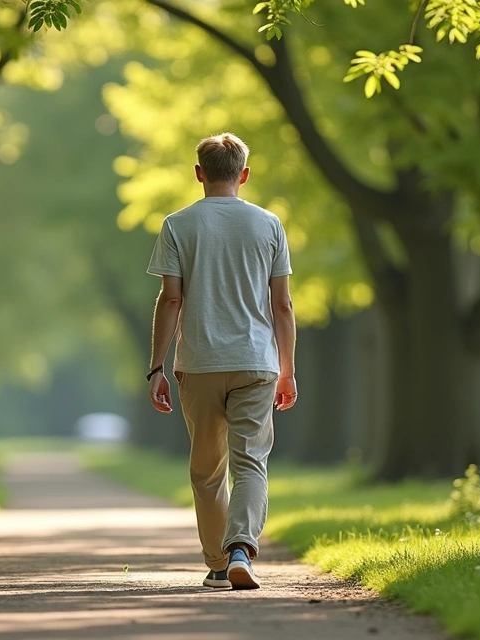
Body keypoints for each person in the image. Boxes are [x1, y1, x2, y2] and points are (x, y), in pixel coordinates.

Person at [144, 132, 298, 590]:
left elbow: (170, 300)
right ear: (244, 175)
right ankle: (240, 550)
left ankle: (216, 564)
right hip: (257, 362)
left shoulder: (178, 225)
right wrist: (287, 368)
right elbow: (283, 305)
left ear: (199, 174)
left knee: (207, 468)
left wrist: (156, 367)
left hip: (200, 362)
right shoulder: (269, 224)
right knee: (250, 461)